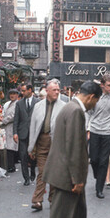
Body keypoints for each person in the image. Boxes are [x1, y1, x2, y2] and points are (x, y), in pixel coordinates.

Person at [39, 80, 102, 218]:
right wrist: (78, 180)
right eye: (96, 101)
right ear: (91, 97)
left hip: (64, 172)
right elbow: (74, 148)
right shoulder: (75, 112)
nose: (95, 105)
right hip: (67, 176)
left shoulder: (68, 107)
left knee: (76, 217)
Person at [27, 79, 69, 211]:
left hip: (57, 143)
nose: (57, 92)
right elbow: (32, 126)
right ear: (47, 91)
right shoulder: (38, 106)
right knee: (43, 172)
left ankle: (53, 199)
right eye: (54, 90)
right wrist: (31, 147)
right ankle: (37, 200)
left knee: (55, 172)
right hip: (42, 142)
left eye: (58, 90)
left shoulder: (64, 105)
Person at [85, 76, 110, 199]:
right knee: (94, 159)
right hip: (95, 131)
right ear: (102, 85)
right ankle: (98, 176)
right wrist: (87, 129)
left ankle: (99, 188)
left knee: (104, 160)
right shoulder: (95, 96)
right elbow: (88, 112)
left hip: (108, 132)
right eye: (109, 85)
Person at [13, 82, 37, 185]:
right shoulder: (19, 103)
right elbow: (16, 119)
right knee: (23, 156)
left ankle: (32, 170)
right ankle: (26, 178)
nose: (21, 93)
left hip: (34, 133)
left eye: (23, 90)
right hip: (22, 133)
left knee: (33, 155)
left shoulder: (38, 102)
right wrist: (15, 133)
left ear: (30, 90)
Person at [0, 87, 20, 173]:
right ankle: (10, 166)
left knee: (10, 148)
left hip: (11, 127)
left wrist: (3, 121)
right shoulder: (10, 103)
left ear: (17, 95)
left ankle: (11, 166)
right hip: (8, 127)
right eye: (11, 94)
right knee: (9, 147)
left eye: (14, 94)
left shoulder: (16, 103)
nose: (12, 95)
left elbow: (12, 116)